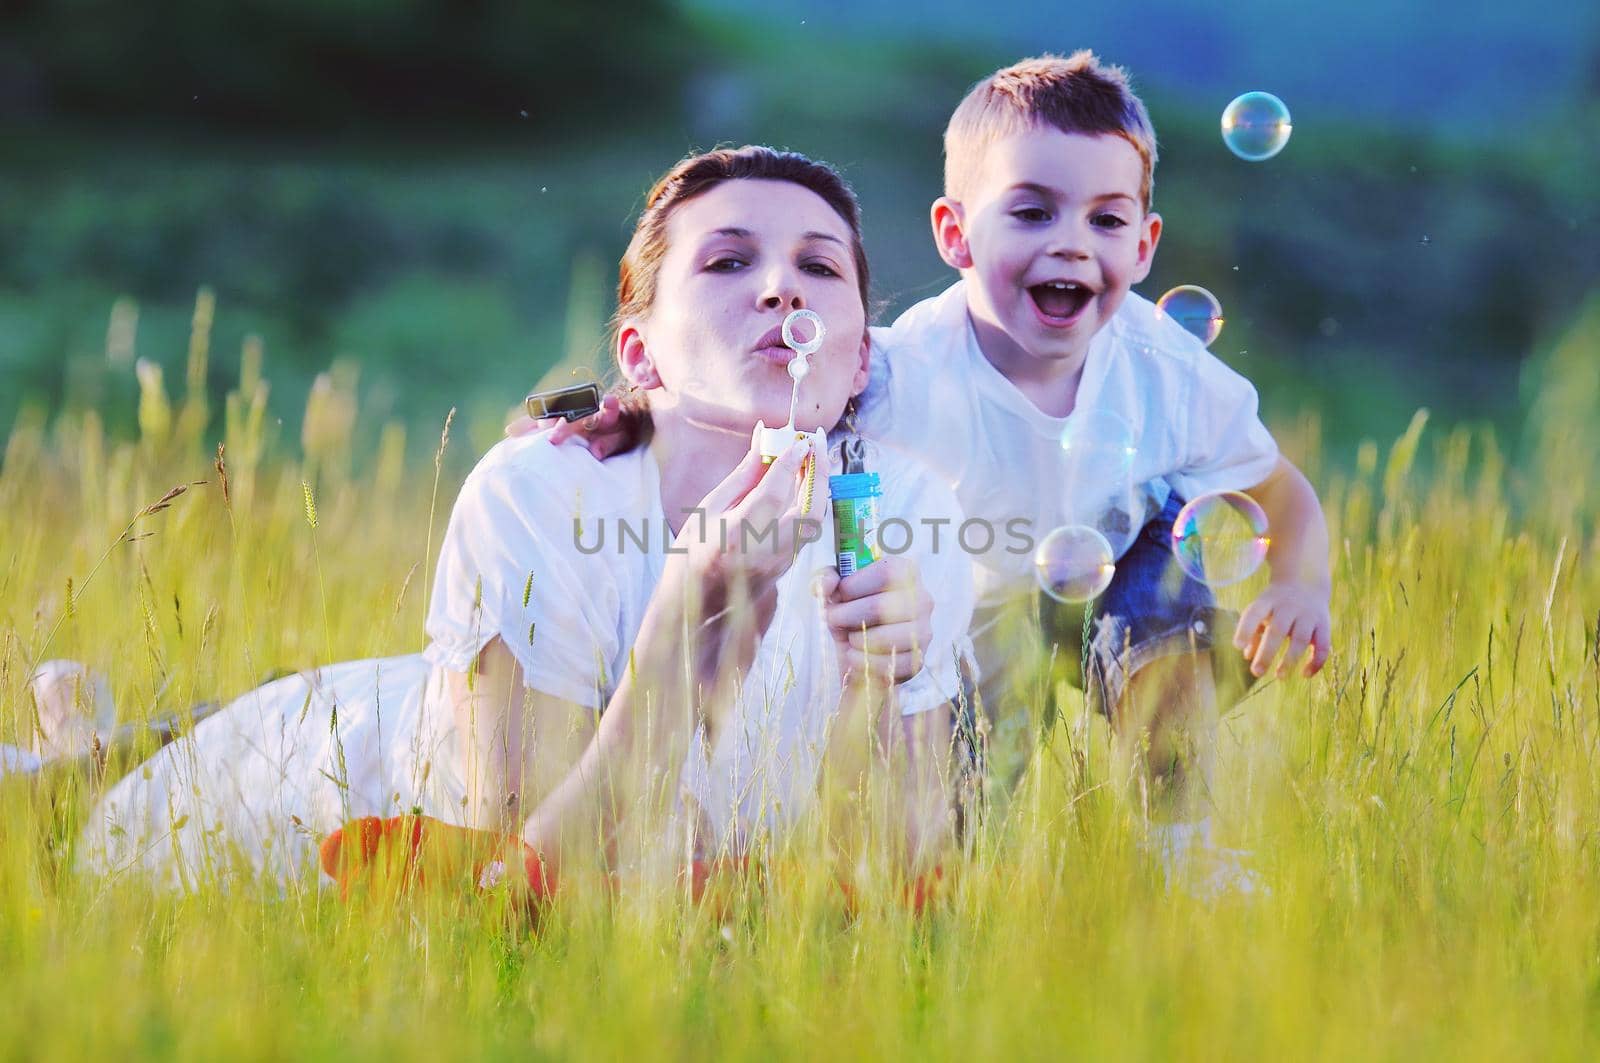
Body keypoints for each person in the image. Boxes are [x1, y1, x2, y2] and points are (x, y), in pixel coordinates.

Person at [517, 53, 1333, 892]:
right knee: (961, 830)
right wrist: (634, 407)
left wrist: (1303, 585)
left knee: (1162, 608)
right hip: (966, 612)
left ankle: (1183, 842)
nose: (1071, 243)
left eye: (1107, 221)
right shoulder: (903, 372)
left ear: (1146, 244)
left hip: (1118, 571)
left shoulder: (1167, 369)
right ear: (955, 236)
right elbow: (781, 405)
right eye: (1031, 211)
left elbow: (1282, 495)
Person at [78, 147, 977, 901]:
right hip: (303, 782)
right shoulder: (543, 490)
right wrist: (678, 639)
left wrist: (881, 690)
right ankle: (69, 737)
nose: (783, 287)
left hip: (458, 718)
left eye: (819, 266)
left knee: (97, 742)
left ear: (859, 357)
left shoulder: (906, 511)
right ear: (639, 351)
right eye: (728, 261)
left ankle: (76, 721)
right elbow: (524, 886)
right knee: (62, 799)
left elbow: (895, 892)